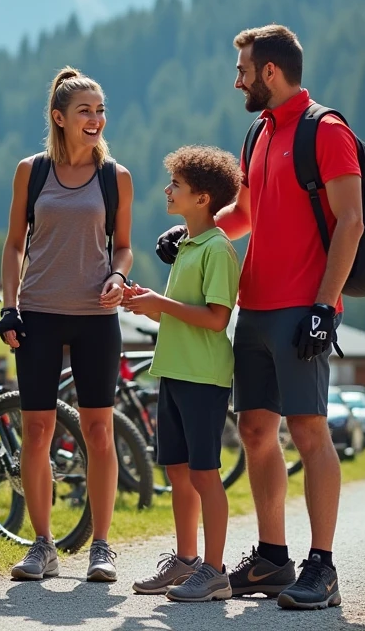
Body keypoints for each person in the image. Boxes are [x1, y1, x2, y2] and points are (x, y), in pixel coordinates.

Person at [156, 24, 363, 610]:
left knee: (308, 431)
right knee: (254, 431)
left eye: (243, 70)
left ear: (269, 71)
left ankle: (321, 567)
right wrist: (196, 231)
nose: (237, 80)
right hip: (255, 306)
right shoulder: (257, 133)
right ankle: (274, 557)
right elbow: (245, 212)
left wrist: (325, 304)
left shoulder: (327, 132)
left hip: (304, 309)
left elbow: (351, 221)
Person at [0, 66, 134, 583]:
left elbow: (123, 245)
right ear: (59, 117)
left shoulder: (114, 177)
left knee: (99, 431)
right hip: (38, 313)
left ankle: (101, 545)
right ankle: (43, 545)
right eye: (85, 111)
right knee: (37, 432)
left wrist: (119, 275)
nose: (96, 119)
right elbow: (13, 245)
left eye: (100, 110)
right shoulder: (31, 172)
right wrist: (10, 306)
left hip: (96, 317)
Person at [124, 146, 241, 602]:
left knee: (205, 472)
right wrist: (147, 303)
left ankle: (215, 571)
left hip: (204, 377)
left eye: (177, 185)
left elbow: (215, 318)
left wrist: (161, 304)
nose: (167, 190)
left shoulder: (217, 249)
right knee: (177, 470)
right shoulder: (189, 247)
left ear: (203, 199)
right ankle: (187, 561)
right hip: (173, 372)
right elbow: (179, 316)